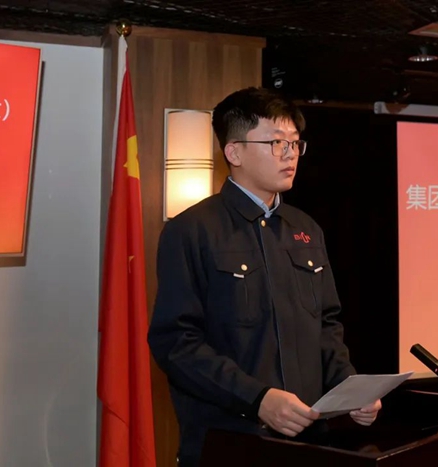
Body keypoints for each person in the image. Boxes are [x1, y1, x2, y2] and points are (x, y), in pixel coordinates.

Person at [147, 86, 381, 466]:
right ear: (234, 152)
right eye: (276, 143)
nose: (290, 154)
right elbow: (176, 344)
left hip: (310, 441)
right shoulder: (192, 230)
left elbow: (326, 325)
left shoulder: (306, 229)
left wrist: (348, 388)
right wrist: (257, 399)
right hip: (231, 444)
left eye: (295, 143)